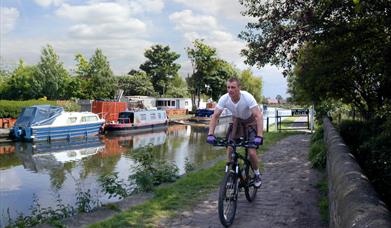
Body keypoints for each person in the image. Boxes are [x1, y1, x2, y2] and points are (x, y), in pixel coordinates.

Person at [207, 77, 264, 188]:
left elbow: (258, 115)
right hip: (237, 123)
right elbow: (215, 116)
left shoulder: (247, 97)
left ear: (239, 88)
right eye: (228, 87)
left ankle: (257, 174)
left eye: (233, 87)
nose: (230, 90)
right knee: (230, 147)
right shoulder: (224, 98)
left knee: (252, 152)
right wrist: (210, 134)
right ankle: (230, 174)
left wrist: (259, 136)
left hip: (251, 123)